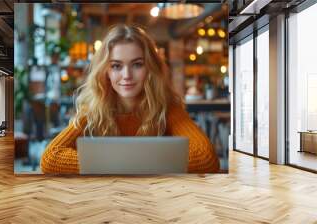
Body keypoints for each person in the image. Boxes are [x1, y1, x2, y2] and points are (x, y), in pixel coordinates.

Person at [41, 24, 220, 174]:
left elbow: (206, 158)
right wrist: (142, 163)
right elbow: (50, 158)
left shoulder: (167, 108)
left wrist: (109, 163)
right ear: (106, 72)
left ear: (150, 68)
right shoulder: (94, 110)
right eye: (116, 66)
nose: (127, 75)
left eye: (137, 64)